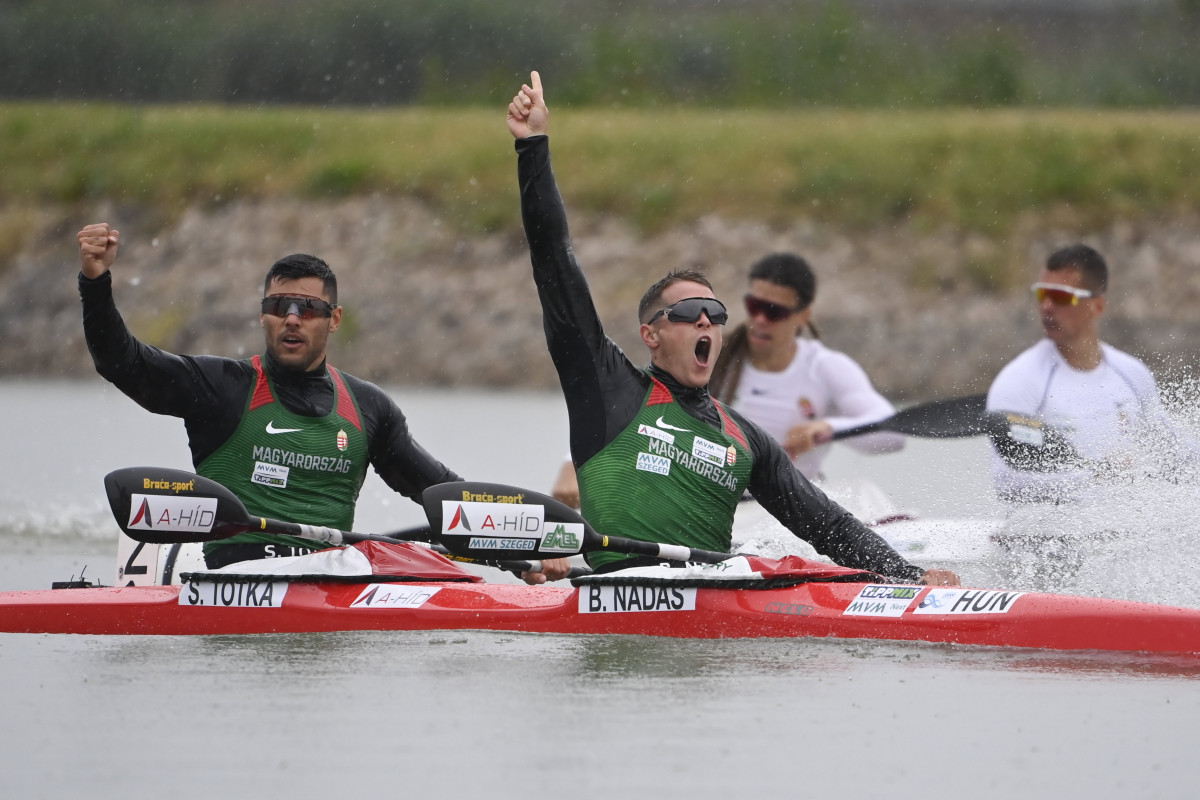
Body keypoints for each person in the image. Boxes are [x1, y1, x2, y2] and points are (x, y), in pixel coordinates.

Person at [507, 71, 958, 586]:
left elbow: (826, 523)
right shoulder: (605, 386)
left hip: (710, 615)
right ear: (650, 334)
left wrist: (908, 576)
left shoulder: (745, 441)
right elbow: (554, 263)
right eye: (687, 311)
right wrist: (533, 147)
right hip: (615, 599)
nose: (706, 320)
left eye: (716, 315)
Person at [77, 223, 469, 570]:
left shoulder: (369, 408)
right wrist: (95, 282)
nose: (293, 318)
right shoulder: (223, 387)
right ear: (264, 316)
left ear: (334, 319)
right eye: (279, 306)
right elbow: (123, 362)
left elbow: (441, 495)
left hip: (333, 574)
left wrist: (519, 558)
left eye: (310, 308)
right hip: (235, 573)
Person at [551, 251, 903, 504]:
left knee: (864, 494)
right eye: (753, 306)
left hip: (790, 502)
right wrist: (572, 465)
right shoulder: (712, 354)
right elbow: (630, 403)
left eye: (775, 311)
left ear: (803, 315)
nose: (760, 320)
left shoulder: (825, 368)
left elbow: (891, 435)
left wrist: (826, 429)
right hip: (714, 503)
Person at [986, 243, 1186, 503]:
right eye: (1042, 294)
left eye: (1060, 297)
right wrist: (1093, 477)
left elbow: (1175, 454)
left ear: (1097, 306)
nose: (1046, 306)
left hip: (1121, 536)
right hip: (1045, 539)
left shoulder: (1132, 374)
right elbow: (1005, 481)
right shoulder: (1020, 380)